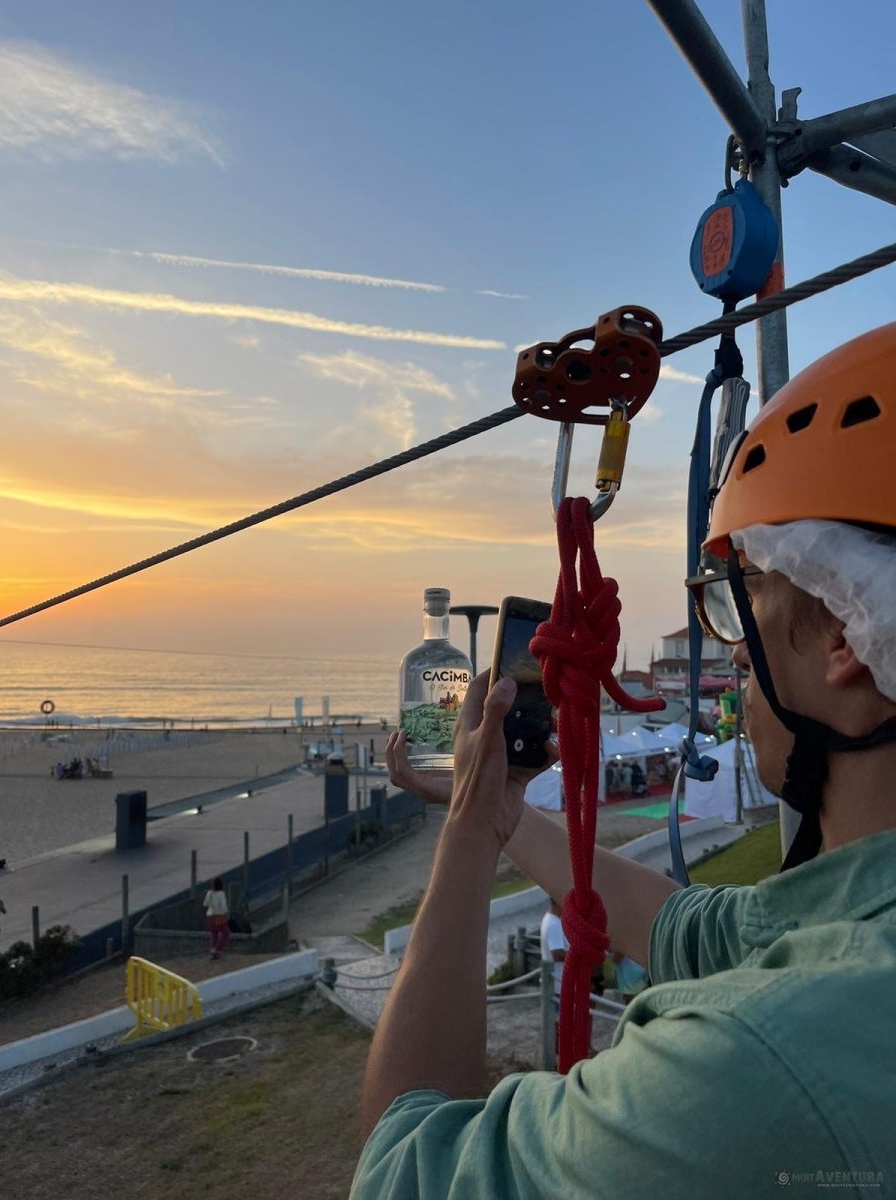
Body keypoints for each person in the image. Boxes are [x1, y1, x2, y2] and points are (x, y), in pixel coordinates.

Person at [353, 324, 896, 1197]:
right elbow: (693, 931)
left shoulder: (753, 1065)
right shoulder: (855, 920)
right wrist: (495, 815)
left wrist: (462, 840)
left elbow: (403, 1167)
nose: (736, 652)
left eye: (744, 599)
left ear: (847, 632)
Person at [538, 899, 568, 1052]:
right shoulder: (554, 924)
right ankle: (558, 1052)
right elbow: (557, 953)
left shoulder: (550, 919)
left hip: (558, 981)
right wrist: (578, 956)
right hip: (558, 982)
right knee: (560, 1021)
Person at [203, 877, 230, 960]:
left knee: (214, 934)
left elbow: (205, 904)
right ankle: (217, 949)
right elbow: (224, 906)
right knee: (225, 933)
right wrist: (225, 914)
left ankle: (212, 950)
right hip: (218, 916)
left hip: (209, 916)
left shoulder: (209, 893)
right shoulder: (221, 893)